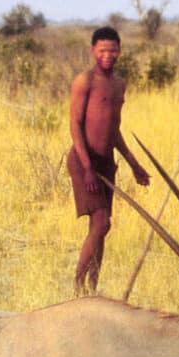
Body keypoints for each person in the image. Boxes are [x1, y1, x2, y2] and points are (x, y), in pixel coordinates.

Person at [68, 26, 151, 295]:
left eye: (113, 49)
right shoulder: (85, 81)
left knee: (100, 228)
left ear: (119, 51)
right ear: (93, 50)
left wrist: (133, 163)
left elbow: (113, 129)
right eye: (102, 50)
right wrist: (88, 168)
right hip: (85, 162)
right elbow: (75, 125)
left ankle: (93, 288)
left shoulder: (119, 84)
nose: (108, 55)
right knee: (102, 222)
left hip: (106, 162)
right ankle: (77, 288)